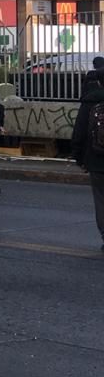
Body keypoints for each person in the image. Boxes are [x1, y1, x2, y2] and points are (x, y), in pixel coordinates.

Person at [72, 70, 104, 251]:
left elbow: (79, 133)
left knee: (100, 199)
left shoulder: (88, 102)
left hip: (96, 159)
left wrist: (79, 158)